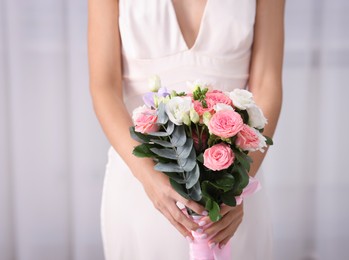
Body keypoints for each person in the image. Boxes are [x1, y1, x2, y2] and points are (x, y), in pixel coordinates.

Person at [88, 0, 284, 259]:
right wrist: (150, 179)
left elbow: (267, 82)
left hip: (232, 186)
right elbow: (104, 87)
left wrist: (238, 185)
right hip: (140, 181)